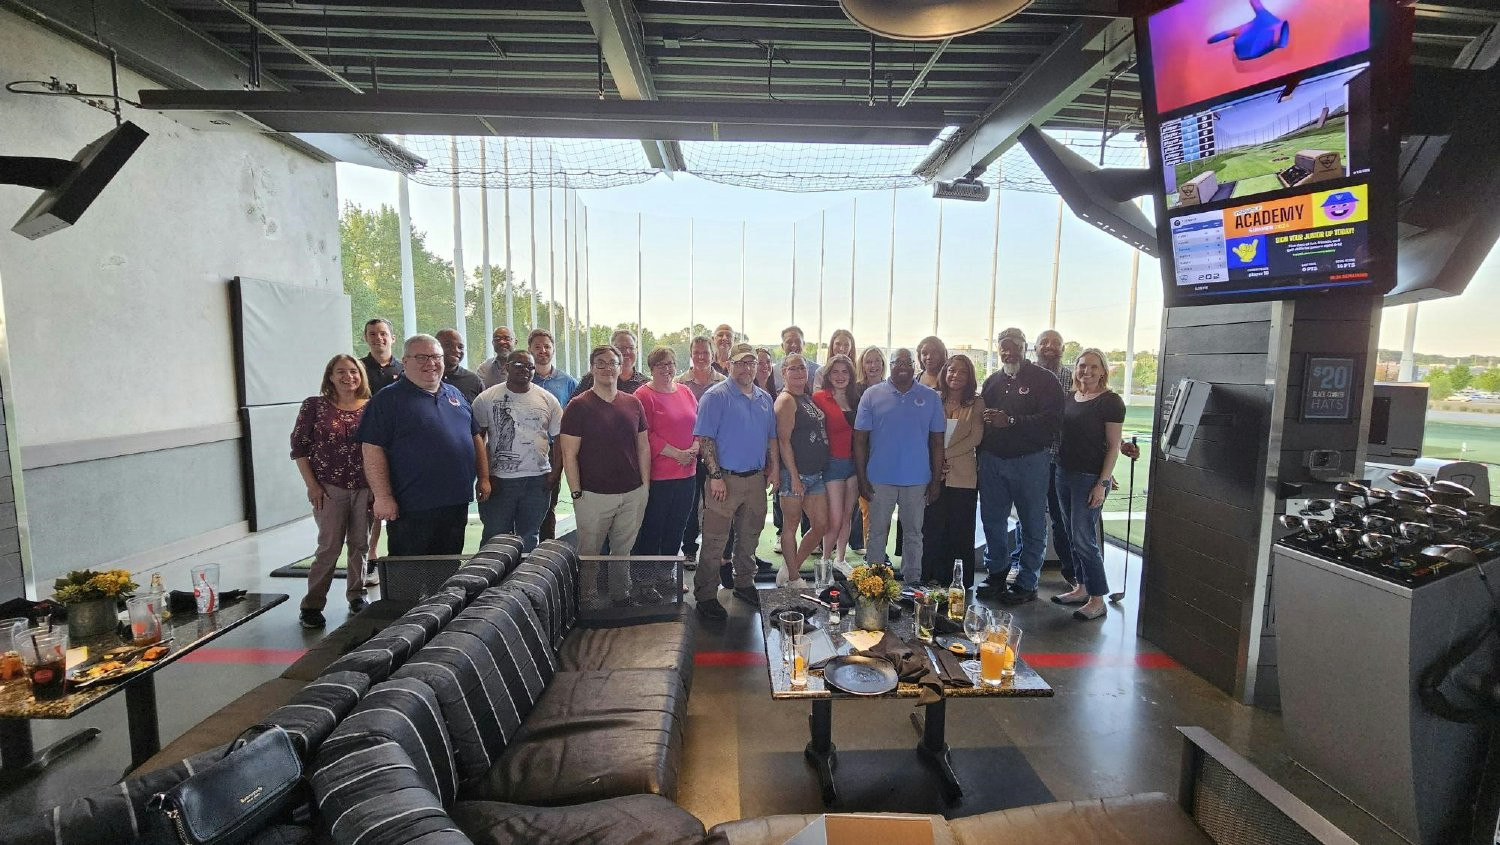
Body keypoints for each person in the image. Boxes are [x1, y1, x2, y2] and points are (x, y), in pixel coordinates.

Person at [358, 334, 490, 557]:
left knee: (447, 571)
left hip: (455, 502)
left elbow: (474, 436)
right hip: (412, 506)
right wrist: (383, 496)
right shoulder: (387, 400)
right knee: (410, 575)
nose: (431, 363)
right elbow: (372, 449)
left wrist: (483, 478)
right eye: (421, 357)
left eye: (436, 357)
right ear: (405, 361)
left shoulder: (454, 394)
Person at [976, 328, 1065, 605]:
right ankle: (998, 572)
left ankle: (1027, 581)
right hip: (993, 460)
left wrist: (1011, 420)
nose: (1008, 351)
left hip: (1030, 461)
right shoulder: (992, 382)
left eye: (1013, 346)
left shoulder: (1045, 380)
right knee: (992, 520)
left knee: (1032, 522)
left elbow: (1052, 420)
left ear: (1025, 347)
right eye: (1003, 347)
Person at [692, 343, 778, 620]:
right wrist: (715, 476)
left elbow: (771, 440)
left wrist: (773, 470)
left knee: (749, 537)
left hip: (754, 481)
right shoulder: (715, 397)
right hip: (724, 480)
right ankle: (705, 594)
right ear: (729, 365)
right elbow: (705, 440)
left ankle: (744, 583)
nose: (746, 368)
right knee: (715, 541)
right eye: (740, 363)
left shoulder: (765, 399)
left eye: (751, 363)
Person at [290, 354, 372, 628]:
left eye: (354, 371)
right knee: (329, 547)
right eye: (341, 372)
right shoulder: (315, 406)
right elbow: (299, 449)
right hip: (329, 488)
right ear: (330, 376)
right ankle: (312, 605)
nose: (349, 377)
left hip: (364, 487)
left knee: (360, 543)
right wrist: (312, 485)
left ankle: (357, 595)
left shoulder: (371, 407)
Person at [854, 348, 945, 585]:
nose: (902, 366)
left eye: (907, 361)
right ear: (890, 365)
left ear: (914, 365)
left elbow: (937, 441)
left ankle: (912, 582)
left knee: (914, 534)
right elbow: (860, 440)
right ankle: (873, 583)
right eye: (897, 361)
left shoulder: (931, 397)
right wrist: (862, 479)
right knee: (876, 533)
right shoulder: (872, 395)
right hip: (879, 479)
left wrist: (935, 480)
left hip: (917, 480)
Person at [559, 345, 651, 573]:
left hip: (632, 493)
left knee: (623, 552)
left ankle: (621, 595)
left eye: (612, 363)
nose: (606, 368)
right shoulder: (577, 406)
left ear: (621, 368)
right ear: (591, 368)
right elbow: (569, 454)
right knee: (589, 555)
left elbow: (643, 447)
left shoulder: (633, 403)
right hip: (593, 497)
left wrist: (644, 487)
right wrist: (577, 494)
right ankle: (587, 600)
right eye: (600, 363)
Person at [1052, 349, 1125, 621]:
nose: (1087, 371)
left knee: (1084, 538)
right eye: (1083, 366)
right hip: (1063, 472)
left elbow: (1113, 446)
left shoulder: (1111, 402)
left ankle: (1097, 598)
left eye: (1094, 367)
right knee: (1071, 535)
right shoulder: (1070, 398)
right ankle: (1081, 587)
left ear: (1104, 370)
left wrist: (1103, 482)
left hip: (1088, 479)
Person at [472, 350, 562, 552]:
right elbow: (478, 439)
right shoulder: (486, 399)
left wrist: (554, 475)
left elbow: (559, 440)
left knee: (529, 537)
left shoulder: (548, 399)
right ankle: (490, 581)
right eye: (519, 365)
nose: (526, 370)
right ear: (506, 367)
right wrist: (484, 477)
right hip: (499, 482)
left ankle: (521, 583)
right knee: (494, 537)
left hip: (536, 481)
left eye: (530, 367)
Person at [1010, 328, 1077, 586]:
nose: (1049, 346)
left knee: (1062, 520)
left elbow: (1087, 418)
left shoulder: (1072, 379)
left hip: (1062, 460)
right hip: (1031, 457)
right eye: (1044, 342)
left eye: (1055, 343)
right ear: (1034, 348)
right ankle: (1019, 564)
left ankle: (1071, 572)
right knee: (1027, 517)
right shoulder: (1022, 376)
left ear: (1062, 349)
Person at [920, 354, 985, 588]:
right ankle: (930, 575)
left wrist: (942, 456)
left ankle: (958, 580)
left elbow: (975, 437)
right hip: (933, 475)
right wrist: (934, 462)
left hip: (963, 476)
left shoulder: (977, 402)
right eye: (951, 371)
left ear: (969, 377)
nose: (955, 375)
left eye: (962, 372)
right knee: (933, 527)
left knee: (960, 529)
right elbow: (924, 434)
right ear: (944, 374)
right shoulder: (932, 399)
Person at [633, 347, 701, 556]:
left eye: (670, 363)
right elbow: (645, 435)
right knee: (653, 529)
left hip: (688, 474)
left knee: (677, 527)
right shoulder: (643, 395)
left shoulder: (685, 391)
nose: (666, 368)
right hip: (659, 476)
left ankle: (668, 576)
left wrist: (695, 447)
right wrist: (677, 454)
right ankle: (647, 582)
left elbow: (698, 424)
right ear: (651, 369)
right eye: (660, 365)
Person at [774, 353, 829, 587]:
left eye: (802, 368)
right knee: (791, 526)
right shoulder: (786, 400)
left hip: (815, 474)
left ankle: (790, 567)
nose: (799, 373)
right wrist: (795, 477)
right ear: (783, 372)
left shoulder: (805, 397)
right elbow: (783, 442)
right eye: (793, 368)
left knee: (820, 525)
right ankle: (794, 578)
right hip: (795, 476)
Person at [676, 335, 726, 560]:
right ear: (691, 354)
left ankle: (717, 552)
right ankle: (689, 550)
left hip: (718, 454)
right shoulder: (679, 383)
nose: (701, 356)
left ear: (712, 354)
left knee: (717, 504)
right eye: (696, 352)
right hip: (690, 453)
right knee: (689, 503)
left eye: (705, 352)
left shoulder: (724, 382)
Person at [526, 328, 579, 543]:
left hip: (555, 450)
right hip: (526, 450)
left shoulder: (567, 382)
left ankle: (546, 553)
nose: (542, 351)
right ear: (529, 349)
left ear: (553, 349)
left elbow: (575, 415)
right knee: (525, 504)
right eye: (537, 347)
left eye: (547, 346)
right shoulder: (522, 379)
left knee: (549, 502)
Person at [812, 354, 859, 571]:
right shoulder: (820, 397)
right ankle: (825, 562)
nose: (840, 376)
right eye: (835, 372)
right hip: (833, 463)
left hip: (855, 464)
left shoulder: (857, 398)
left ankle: (840, 559)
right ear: (828, 375)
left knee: (848, 515)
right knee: (835, 519)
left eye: (845, 371)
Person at [576, 329, 649, 394]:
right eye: (621, 347)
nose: (627, 351)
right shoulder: (591, 378)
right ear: (611, 350)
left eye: (631, 348)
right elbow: (573, 406)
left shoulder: (645, 384)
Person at [436, 328, 484, 403]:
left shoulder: (473, 381)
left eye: (460, 347)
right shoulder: (423, 377)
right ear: (435, 347)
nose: (456, 350)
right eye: (448, 345)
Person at [359, 318, 403, 395]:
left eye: (383, 334)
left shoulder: (404, 369)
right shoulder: (357, 368)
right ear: (366, 338)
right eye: (372, 334)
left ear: (393, 339)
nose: (378, 337)